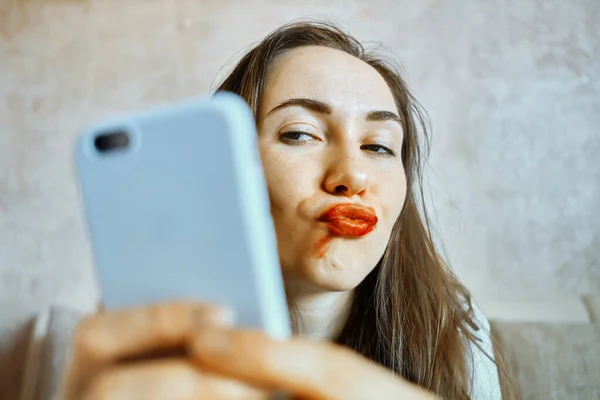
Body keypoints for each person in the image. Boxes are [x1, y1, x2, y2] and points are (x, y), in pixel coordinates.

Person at [58, 20, 510, 399]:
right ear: (228, 166)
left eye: (378, 146)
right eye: (300, 134)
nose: (353, 177)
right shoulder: (142, 352)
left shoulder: (456, 334)